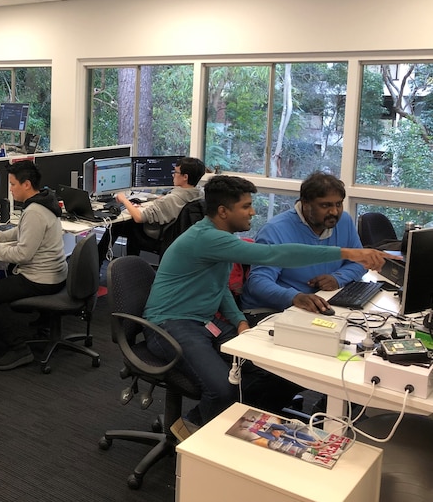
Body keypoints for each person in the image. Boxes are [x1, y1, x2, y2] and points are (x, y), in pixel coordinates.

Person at [143, 175, 395, 428]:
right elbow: (274, 254)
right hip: (170, 324)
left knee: (267, 366)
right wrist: (348, 252)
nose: (252, 212)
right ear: (222, 211)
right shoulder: (208, 238)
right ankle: (198, 439)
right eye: (245, 206)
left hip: (205, 322)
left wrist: (240, 321)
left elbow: (217, 288)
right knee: (221, 388)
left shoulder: (221, 239)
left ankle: (233, 423)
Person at [0, 160, 67, 370]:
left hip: (40, 279)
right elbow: (22, 231)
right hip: (56, 274)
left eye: (13, 184)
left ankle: (19, 348)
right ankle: (35, 327)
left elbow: (23, 254)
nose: (11, 189)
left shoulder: (34, 211)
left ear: (26, 184)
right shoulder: (43, 201)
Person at [240, 172, 366, 314]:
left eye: (339, 204)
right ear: (305, 203)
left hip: (320, 304)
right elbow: (258, 282)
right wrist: (295, 297)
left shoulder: (344, 222)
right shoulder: (275, 230)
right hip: (270, 310)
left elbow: (360, 261)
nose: (334, 212)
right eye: (325, 205)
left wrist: (337, 278)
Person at [114, 157, 206, 255]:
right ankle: (132, 264)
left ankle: (103, 262)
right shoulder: (200, 193)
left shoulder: (171, 199)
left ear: (185, 177)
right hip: (179, 238)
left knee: (118, 225)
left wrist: (124, 200)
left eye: (176, 172)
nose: (173, 175)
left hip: (158, 236)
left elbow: (139, 218)